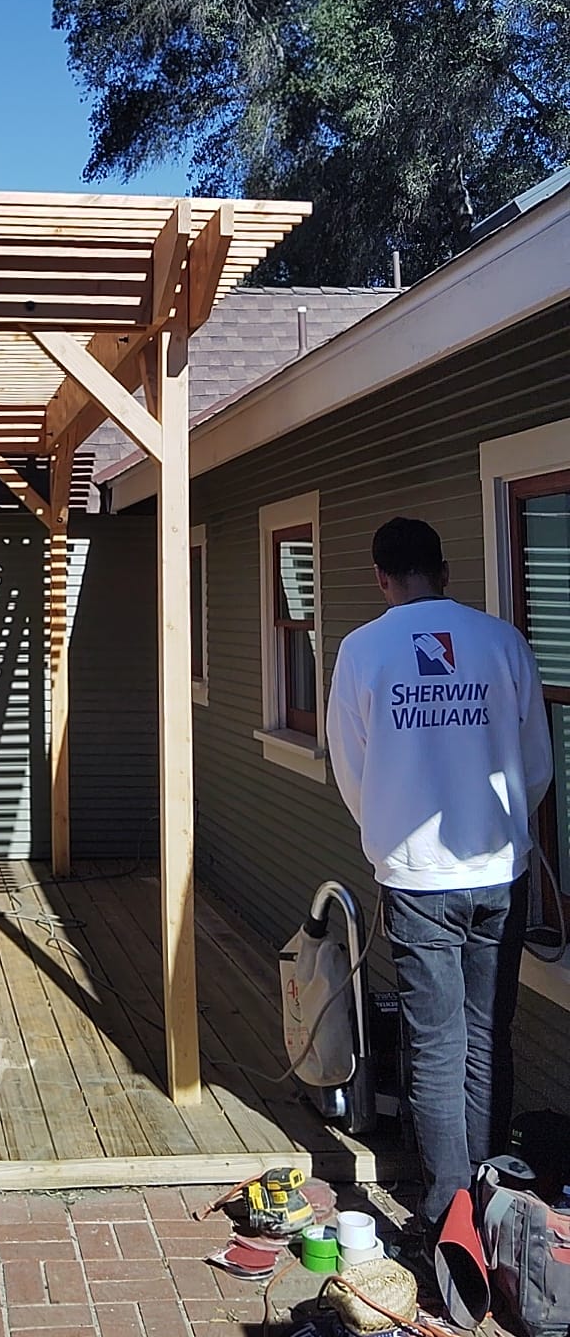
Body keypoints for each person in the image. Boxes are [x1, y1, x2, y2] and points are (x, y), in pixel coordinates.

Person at [326, 516, 554, 1237]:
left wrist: (390, 838)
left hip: (417, 878)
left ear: (380, 578)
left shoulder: (363, 650)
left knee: (435, 1045)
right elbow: (536, 764)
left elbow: (352, 768)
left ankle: (448, 1215)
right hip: (499, 870)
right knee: (489, 1035)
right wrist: (502, 833)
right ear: (445, 572)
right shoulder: (502, 642)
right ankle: (493, 1204)